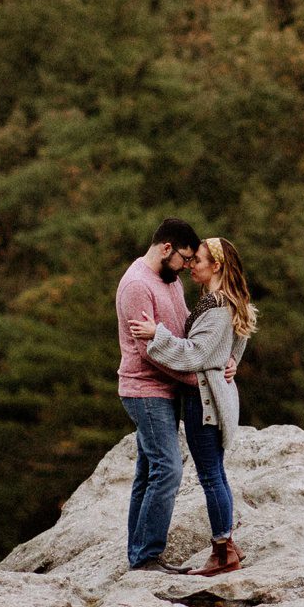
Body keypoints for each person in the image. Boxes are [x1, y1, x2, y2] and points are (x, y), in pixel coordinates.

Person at [129, 235, 257, 577]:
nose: (190, 265)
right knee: (215, 473)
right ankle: (227, 543)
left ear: (215, 266)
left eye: (197, 260)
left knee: (211, 476)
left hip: (205, 402)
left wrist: (157, 334)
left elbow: (196, 354)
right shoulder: (218, 301)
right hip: (207, 397)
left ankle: (223, 551)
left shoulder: (217, 308)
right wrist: (231, 358)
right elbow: (238, 337)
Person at [116, 217, 202, 573]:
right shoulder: (138, 284)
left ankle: (139, 554)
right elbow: (151, 350)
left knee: (148, 470)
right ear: (166, 248)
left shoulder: (171, 280)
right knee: (168, 469)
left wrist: (215, 355)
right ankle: (148, 555)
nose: (187, 265)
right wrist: (196, 377)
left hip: (164, 390)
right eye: (184, 257)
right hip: (145, 390)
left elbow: (183, 330)